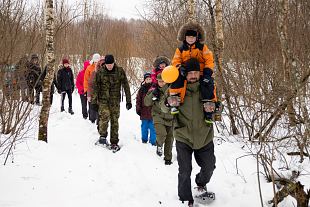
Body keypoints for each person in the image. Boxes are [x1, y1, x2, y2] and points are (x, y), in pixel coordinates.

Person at [163, 58, 216, 207]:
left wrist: (216, 108)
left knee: (209, 166)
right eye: (190, 72)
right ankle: (185, 198)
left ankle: (201, 183)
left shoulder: (207, 87)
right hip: (183, 136)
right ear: (185, 74)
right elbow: (163, 106)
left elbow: (218, 105)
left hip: (204, 136)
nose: (193, 75)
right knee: (185, 170)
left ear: (199, 73)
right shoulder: (177, 87)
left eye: (196, 72)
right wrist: (168, 103)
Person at [169, 21, 217, 124]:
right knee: (176, 82)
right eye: (189, 37)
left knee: (209, 84)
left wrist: (208, 71)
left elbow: (209, 59)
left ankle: (209, 108)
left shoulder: (202, 48)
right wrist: (179, 67)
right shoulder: (180, 49)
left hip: (201, 72)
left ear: (197, 38)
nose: (191, 39)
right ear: (185, 37)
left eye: (193, 37)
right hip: (185, 72)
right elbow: (175, 61)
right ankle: (174, 102)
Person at [92, 54, 132, 151]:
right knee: (104, 118)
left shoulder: (120, 71)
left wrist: (128, 101)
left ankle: (114, 142)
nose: (109, 66)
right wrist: (94, 101)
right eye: (107, 64)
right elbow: (96, 87)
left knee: (114, 121)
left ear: (114, 63)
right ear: (105, 63)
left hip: (115, 101)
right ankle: (102, 137)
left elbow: (125, 85)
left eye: (111, 64)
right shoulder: (100, 72)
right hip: (103, 101)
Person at [144, 73, 174, 165]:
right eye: (159, 81)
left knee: (170, 138)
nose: (161, 83)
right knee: (161, 133)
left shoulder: (172, 89)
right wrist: (153, 94)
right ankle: (159, 145)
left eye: (163, 81)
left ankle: (168, 158)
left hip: (170, 116)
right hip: (157, 115)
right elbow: (146, 102)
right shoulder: (153, 89)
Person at [136, 72, 156, 145]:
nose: (149, 80)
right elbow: (138, 100)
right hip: (144, 112)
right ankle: (144, 140)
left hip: (153, 112)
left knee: (153, 127)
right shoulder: (142, 89)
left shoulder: (154, 88)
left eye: (150, 79)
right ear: (145, 80)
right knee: (144, 127)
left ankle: (153, 142)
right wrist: (138, 109)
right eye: (147, 79)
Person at [84, 53, 101, 123]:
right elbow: (86, 80)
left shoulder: (102, 67)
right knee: (91, 105)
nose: (96, 63)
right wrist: (86, 90)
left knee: (99, 104)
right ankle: (92, 118)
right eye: (95, 61)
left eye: (97, 61)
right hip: (91, 90)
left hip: (99, 90)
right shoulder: (89, 68)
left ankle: (98, 118)